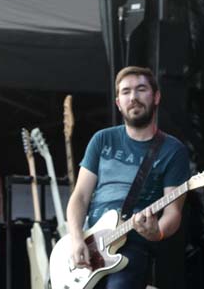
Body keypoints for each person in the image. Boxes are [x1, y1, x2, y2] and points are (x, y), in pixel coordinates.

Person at [66, 66, 190, 288]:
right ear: (118, 103)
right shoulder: (102, 140)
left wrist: (158, 232)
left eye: (141, 89)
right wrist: (76, 239)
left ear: (156, 97)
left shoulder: (173, 150)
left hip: (133, 245)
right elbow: (80, 197)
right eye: (126, 92)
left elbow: (173, 212)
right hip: (91, 242)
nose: (133, 97)